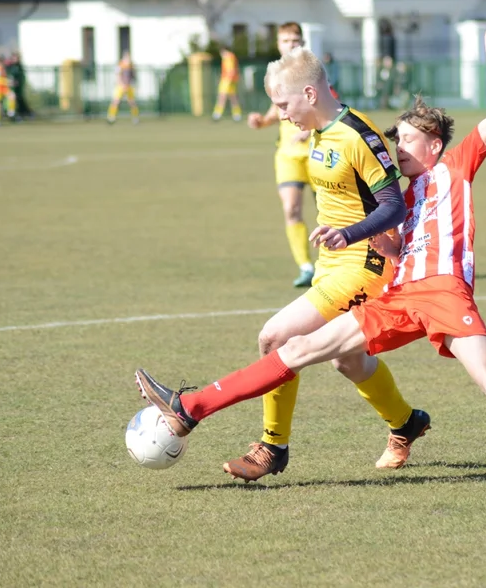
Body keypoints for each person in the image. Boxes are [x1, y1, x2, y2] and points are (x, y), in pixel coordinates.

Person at [135, 10, 486, 495]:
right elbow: (387, 219)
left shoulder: (456, 167)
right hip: (401, 295)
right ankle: (190, 408)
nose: (396, 148)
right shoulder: (402, 192)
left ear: (432, 144)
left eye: (405, 140)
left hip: (446, 295)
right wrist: (371, 234)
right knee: (292, 349)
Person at [167, 43, 430, 482]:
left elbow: (392, 207)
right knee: (346, 361)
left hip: (365, 263)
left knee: (274, 337)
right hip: (334, 263)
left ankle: (273, 447)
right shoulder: (322, 131)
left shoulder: (357, 134)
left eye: (283, 104)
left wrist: (347, 233)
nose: (281, 114)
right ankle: (406, 422)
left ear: (309, 94)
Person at [247, 23, 315, 288]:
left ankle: (334, 265)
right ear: (278, 44)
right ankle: (306, 266)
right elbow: (278, 110)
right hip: (287, 155)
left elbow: (331, 108)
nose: (291, 44)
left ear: (303, 42)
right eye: (286, 40)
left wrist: (310, 129)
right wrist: (262, 122)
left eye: (295, 39)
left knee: (330, 213)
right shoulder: (276, 76)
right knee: (291, 209)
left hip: (317, 152)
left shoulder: (314, 73)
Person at [211, 46, 242, 122]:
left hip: (227, 80)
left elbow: (230, 70)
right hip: (231, 80)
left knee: (222, 97)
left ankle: (217, 114)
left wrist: (228, 80)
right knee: (233, 98)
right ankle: (237, 115)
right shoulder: (232, 56)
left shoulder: (228, 57)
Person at [108, 51, 140, 125]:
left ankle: (135, 118)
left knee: (132, 102)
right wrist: (122, 84)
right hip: (120, 86)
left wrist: (131, 84)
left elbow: (133, 76)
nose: (128, 59)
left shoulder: (132, 66)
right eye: (126, 57)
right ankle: (111, 117)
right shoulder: (120, 65)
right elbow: (117, 76)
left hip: (129, 86)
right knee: (116, 101)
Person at [5, 52, 33, 121]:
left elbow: (21, 78)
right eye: (14, 58)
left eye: (16, 58)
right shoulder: (10, 67)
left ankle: (24, 114)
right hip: (10, 88)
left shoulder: (19, 67)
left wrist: (17, 82)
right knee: (10, 101)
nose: (15, 59)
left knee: (19, 102)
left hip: (17, 89)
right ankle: (12, 114)